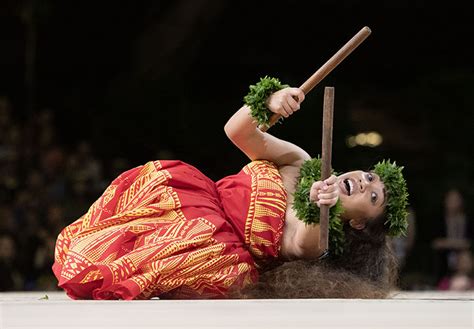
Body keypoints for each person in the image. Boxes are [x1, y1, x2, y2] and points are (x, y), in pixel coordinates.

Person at [52, 78, 409, 300]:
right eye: (370, 176)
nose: (365, 182)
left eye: (372, 196)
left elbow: (302, 237)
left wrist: (320, 203)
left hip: (205, 248)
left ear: (359, 224)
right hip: (193, 197)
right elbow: (237, 133)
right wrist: (269, 104)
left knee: (107, 273)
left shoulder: (318, 243)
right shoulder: (300, 163)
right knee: (93, 242)